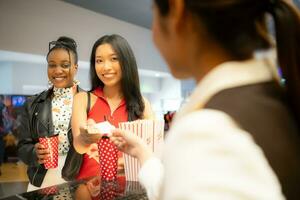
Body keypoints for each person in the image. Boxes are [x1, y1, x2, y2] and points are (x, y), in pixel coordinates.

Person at [110, 0, 300, 200]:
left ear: (177, 10)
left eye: (154, 13)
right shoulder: (272, 98)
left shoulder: (207, 130)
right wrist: (143, 153)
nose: (154, 32)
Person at [72, 34, 154, 180]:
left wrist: (128, 161)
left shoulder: (142, 104)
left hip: (130, 187)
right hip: (88, 188)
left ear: (126, 61)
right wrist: (86, 138)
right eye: (99, 61)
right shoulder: (83, 99)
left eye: (114, 58)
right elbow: (78, 145)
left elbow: (153, 148)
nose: (106, 67)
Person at [17, 36, 84, 191]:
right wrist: (34, 152)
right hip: (42, 179)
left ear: (75, 68)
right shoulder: (32, 103)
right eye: (52, 65)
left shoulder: (88, 101)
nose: (57, 70)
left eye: (65, 65)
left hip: (79, 178)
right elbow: (22, 147)